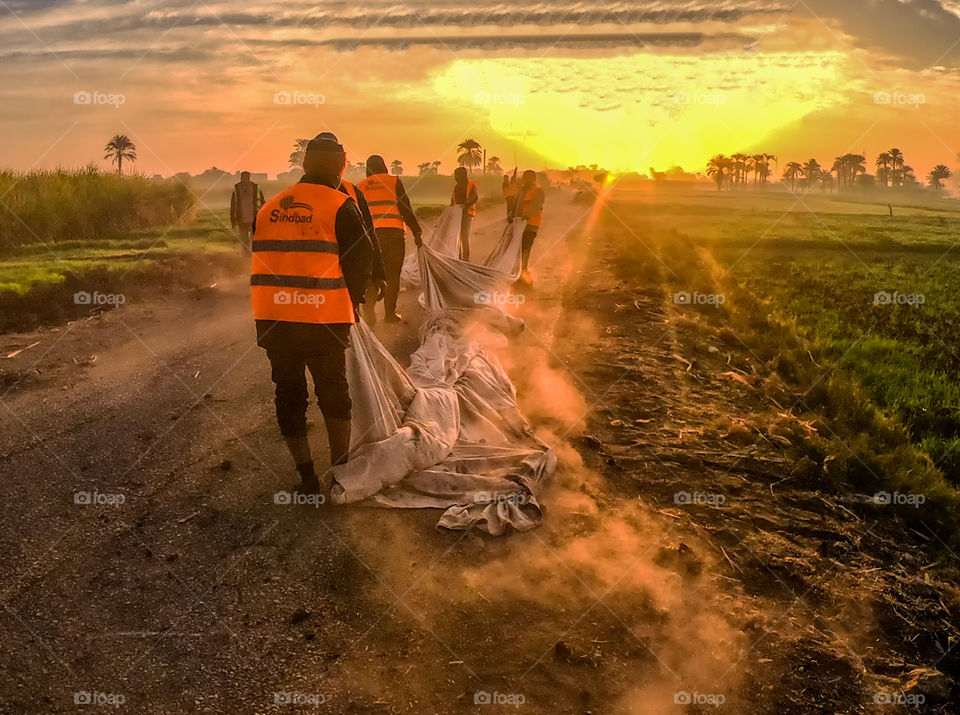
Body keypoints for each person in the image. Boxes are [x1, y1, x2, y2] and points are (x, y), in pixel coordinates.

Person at [250, 133, 373, 494]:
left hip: (274, 318)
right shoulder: (340, 205)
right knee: (333, 391)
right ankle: (341, 473)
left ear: (304, 165)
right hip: (323, 319)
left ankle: (306, 478)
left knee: (289, 395)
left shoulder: (268, 207)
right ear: (341, 167)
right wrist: (357, 303)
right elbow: (359, 263)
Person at [358, 156, 422, 323]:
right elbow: (405, 207)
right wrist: (416, 231)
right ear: (384, 166)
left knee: (371, 276)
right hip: (394, 234)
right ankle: (389, 314)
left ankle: (370, 315)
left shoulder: (361, 186)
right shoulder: (393, 181)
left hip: (371, 237)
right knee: (393, 275)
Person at [514, 170, 544, 285]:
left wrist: (526, 216)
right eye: (525, 177)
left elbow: (536, 206)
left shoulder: (538, 191)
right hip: (518, 225)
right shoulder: (522, 191)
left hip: (531, 225)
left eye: (529, 178)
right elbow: (515, 205)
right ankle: (519, 272)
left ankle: (524, 273)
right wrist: (512, 214)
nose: (526, 180)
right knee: (518, 249)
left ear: (533, 179)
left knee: (525, 249)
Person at [230, 171, 264, 252]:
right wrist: (232, 219)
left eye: (247, 178)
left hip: (254, 218)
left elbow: (262, 202)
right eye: (244, 178)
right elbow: (233, 205)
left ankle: (254, 255)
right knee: (244, 239)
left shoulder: (255, 187)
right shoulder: (237, 188)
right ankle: (246, 255)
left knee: (255, 239)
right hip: (241, 218)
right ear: (241, 178)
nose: (246, 180)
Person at [450, 167, 478, 261]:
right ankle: (458, 257)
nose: (455, 177)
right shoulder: (455, 187)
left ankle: (466, 259)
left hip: (467, 213)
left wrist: (466, 204)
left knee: (464, 236)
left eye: (457, 174)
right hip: (457, 214)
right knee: (457, 236)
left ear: (463, 175)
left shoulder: (470, 185)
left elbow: (474, 196)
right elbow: (452, 202)